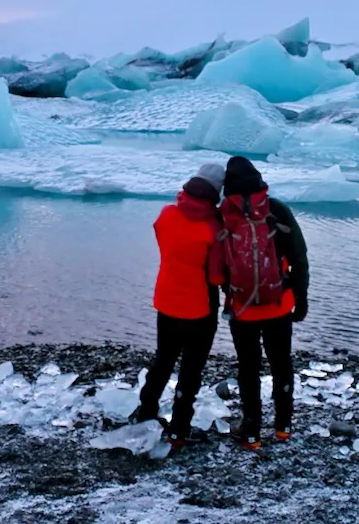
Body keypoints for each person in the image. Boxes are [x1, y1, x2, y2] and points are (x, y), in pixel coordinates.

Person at [132, 163, 226, 449]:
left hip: (168, 300)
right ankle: (179, 430)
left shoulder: (167, 214)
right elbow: (216, 276)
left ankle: (146, 411)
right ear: (216, 193)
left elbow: (162, 237)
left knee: (163, 360)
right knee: (191, 370)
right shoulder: (215, 226)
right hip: (200, 307)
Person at [220, 156, 309, 450]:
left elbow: (217, 265)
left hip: (242, 309)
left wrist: (228, 293)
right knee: (281, 363)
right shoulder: (277, 210)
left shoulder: (224, 214)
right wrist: (301, 297)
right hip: (279, 304)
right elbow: (298, 256)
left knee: (249, 368)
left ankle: (251, 433)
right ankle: (283, 427)